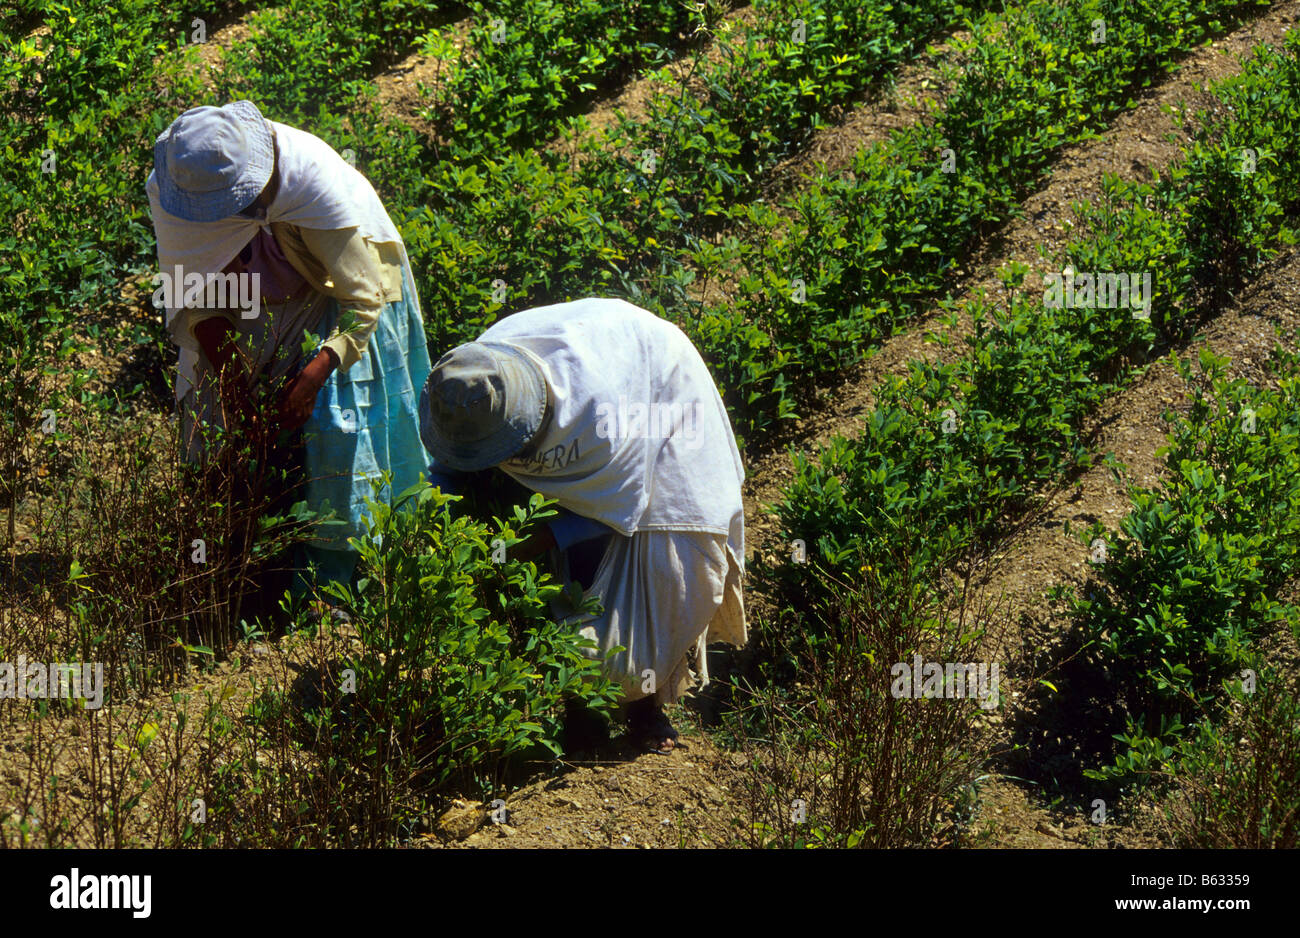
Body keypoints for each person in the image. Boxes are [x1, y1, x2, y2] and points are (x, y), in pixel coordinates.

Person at [418, 297, 747, 753]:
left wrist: (538, 540)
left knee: (644, 569)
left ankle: (641, 707)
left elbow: (618, 508)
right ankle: (578, 699)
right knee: (558, 573)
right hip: (602, 374)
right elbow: (449, 466)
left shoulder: (599, 418)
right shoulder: (470, 381)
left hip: (660, 388)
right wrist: (441, 529)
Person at [147, 100, 432, 607]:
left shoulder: (312, 185)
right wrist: (234, 385)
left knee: (337, 427)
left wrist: (311, 377)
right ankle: (236, 563)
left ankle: (341, 582)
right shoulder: (179, 186)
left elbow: (361, 298)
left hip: (342, 288)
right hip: (253, 294)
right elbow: (196, 298)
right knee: (212, 421)